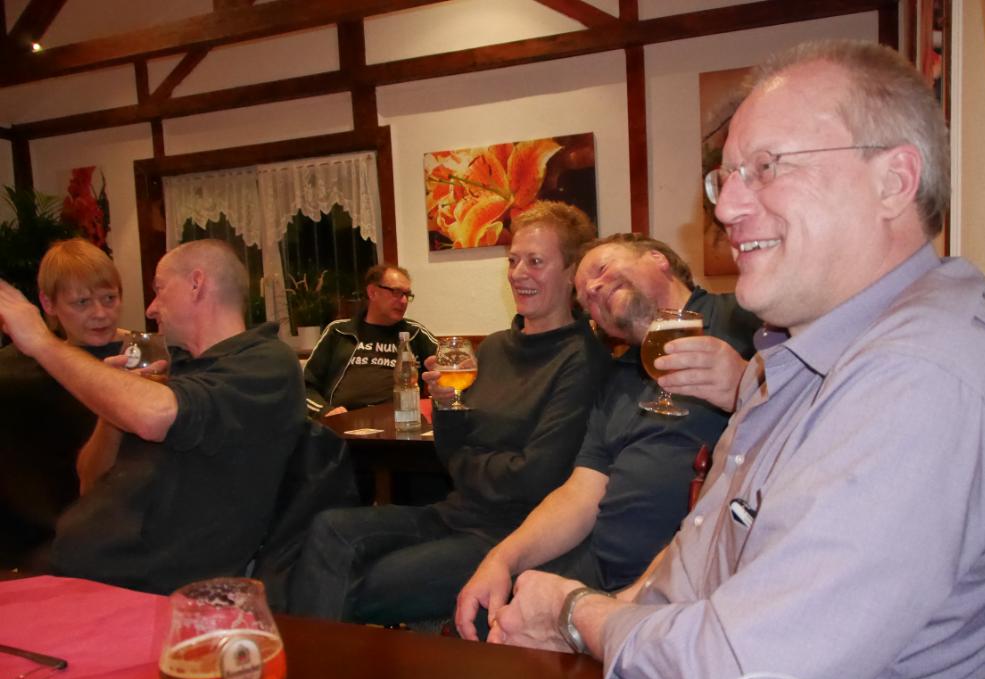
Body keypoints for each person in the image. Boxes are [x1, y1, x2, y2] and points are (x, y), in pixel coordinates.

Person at [487, 40, 985, 679]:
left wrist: (573, 614)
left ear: (894, 181)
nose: (728, 207)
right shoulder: (802, 353)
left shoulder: (921, 379)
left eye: (767, 167)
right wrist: (614, 611)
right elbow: (699, 556)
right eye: (727, 177)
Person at [288, 201, 612, 624]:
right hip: (455, 513)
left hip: (512, 534)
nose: (518, 273)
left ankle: (311, 659)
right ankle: (313, 657)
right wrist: (445, 405)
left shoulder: (582, 359)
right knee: (328, 528)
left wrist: (469, 462)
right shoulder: (493, 348)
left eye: (535, 261)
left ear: (571, 272)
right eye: (513, 260)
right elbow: (451, 451)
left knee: (360, 582)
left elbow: (536, 477)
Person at [455, 233, 760, 640]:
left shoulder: (745, 319)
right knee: (489, 619)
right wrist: (502, 559)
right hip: (603, 570)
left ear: (659, 258)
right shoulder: (618, 377)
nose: (595, 289)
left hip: (691, 584)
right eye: (587, 300)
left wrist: (746, 384)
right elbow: (581, 493)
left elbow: (815, 410)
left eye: (602, 269)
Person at [0, 239, 306, 593]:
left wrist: (40, 342)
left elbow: (155, 416)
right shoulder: (177, 367)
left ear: (196, 284)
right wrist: (113, 408)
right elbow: (89, 481)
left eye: (159, 289)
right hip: (73, 567)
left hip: (146, 587)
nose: (151, 308)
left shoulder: (263, 362)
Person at [0, 239, 125, 567]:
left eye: (109, 298)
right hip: (44, 545)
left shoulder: (142, 359)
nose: (100, 314)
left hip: (124, 536)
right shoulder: (14, 374)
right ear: (48, 303)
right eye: (82, 302)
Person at [303, 264, 437, 417]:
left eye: (407, 295)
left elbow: (448, 365)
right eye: (397, 293)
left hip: (400, 420)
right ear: (372, 292)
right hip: (344, 421)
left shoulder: (414, 333)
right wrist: (325, 412)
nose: (404, 301)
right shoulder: (339, 331)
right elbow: (305, 387)